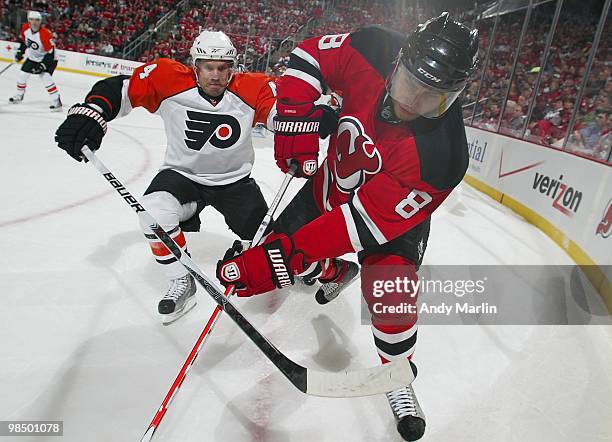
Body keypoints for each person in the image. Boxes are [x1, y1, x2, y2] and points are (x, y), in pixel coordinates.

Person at [216, 13, 478, 441]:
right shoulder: (374, 46)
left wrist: (281, 255)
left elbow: (358, 226)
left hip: (388, 223)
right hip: (329, 186)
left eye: (434, 98)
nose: (414, 103)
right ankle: (335, 273)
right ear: (398, 64)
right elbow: (308, 57)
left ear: (455, 96)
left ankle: (397, 376)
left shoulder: (443, 156)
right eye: (412, 85)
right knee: (286, 257)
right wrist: (296, 114)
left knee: (390, 290)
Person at [54, 31, 276, 323]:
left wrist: (306, 121)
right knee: (152, 213)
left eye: (223, 67)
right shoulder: (169, 80)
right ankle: (181, 279)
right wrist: (92, 111)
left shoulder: (253, 88)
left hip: (234, 181)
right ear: (195, 66)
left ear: (232, 67)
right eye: (208, 67)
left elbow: (280, 114)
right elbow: (120, 89)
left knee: (272, 245)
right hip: (182, 176)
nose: (216, 75)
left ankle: (304, 263)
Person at [9, 11, 62, 111]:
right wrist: (20, 52)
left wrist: (42, 66)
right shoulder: (25, 28)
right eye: (32, 20)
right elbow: (24, 42)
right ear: (28, 21)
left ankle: (56, 101)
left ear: (40, 21)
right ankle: (19, 95)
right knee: (22, 75)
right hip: (33, 57)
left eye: (37, 20)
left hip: (49, 59)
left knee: (45, 77)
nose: (34, 22)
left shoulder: (45, 34)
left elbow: (50, 53)